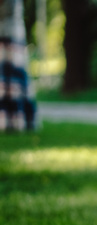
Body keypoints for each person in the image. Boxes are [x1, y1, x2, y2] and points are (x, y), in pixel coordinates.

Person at [0, 0, 37, 131]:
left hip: (9, 31)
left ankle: (15, 121)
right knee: (8, 77)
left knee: (12, 76)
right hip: (9, 30)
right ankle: (11, 121)